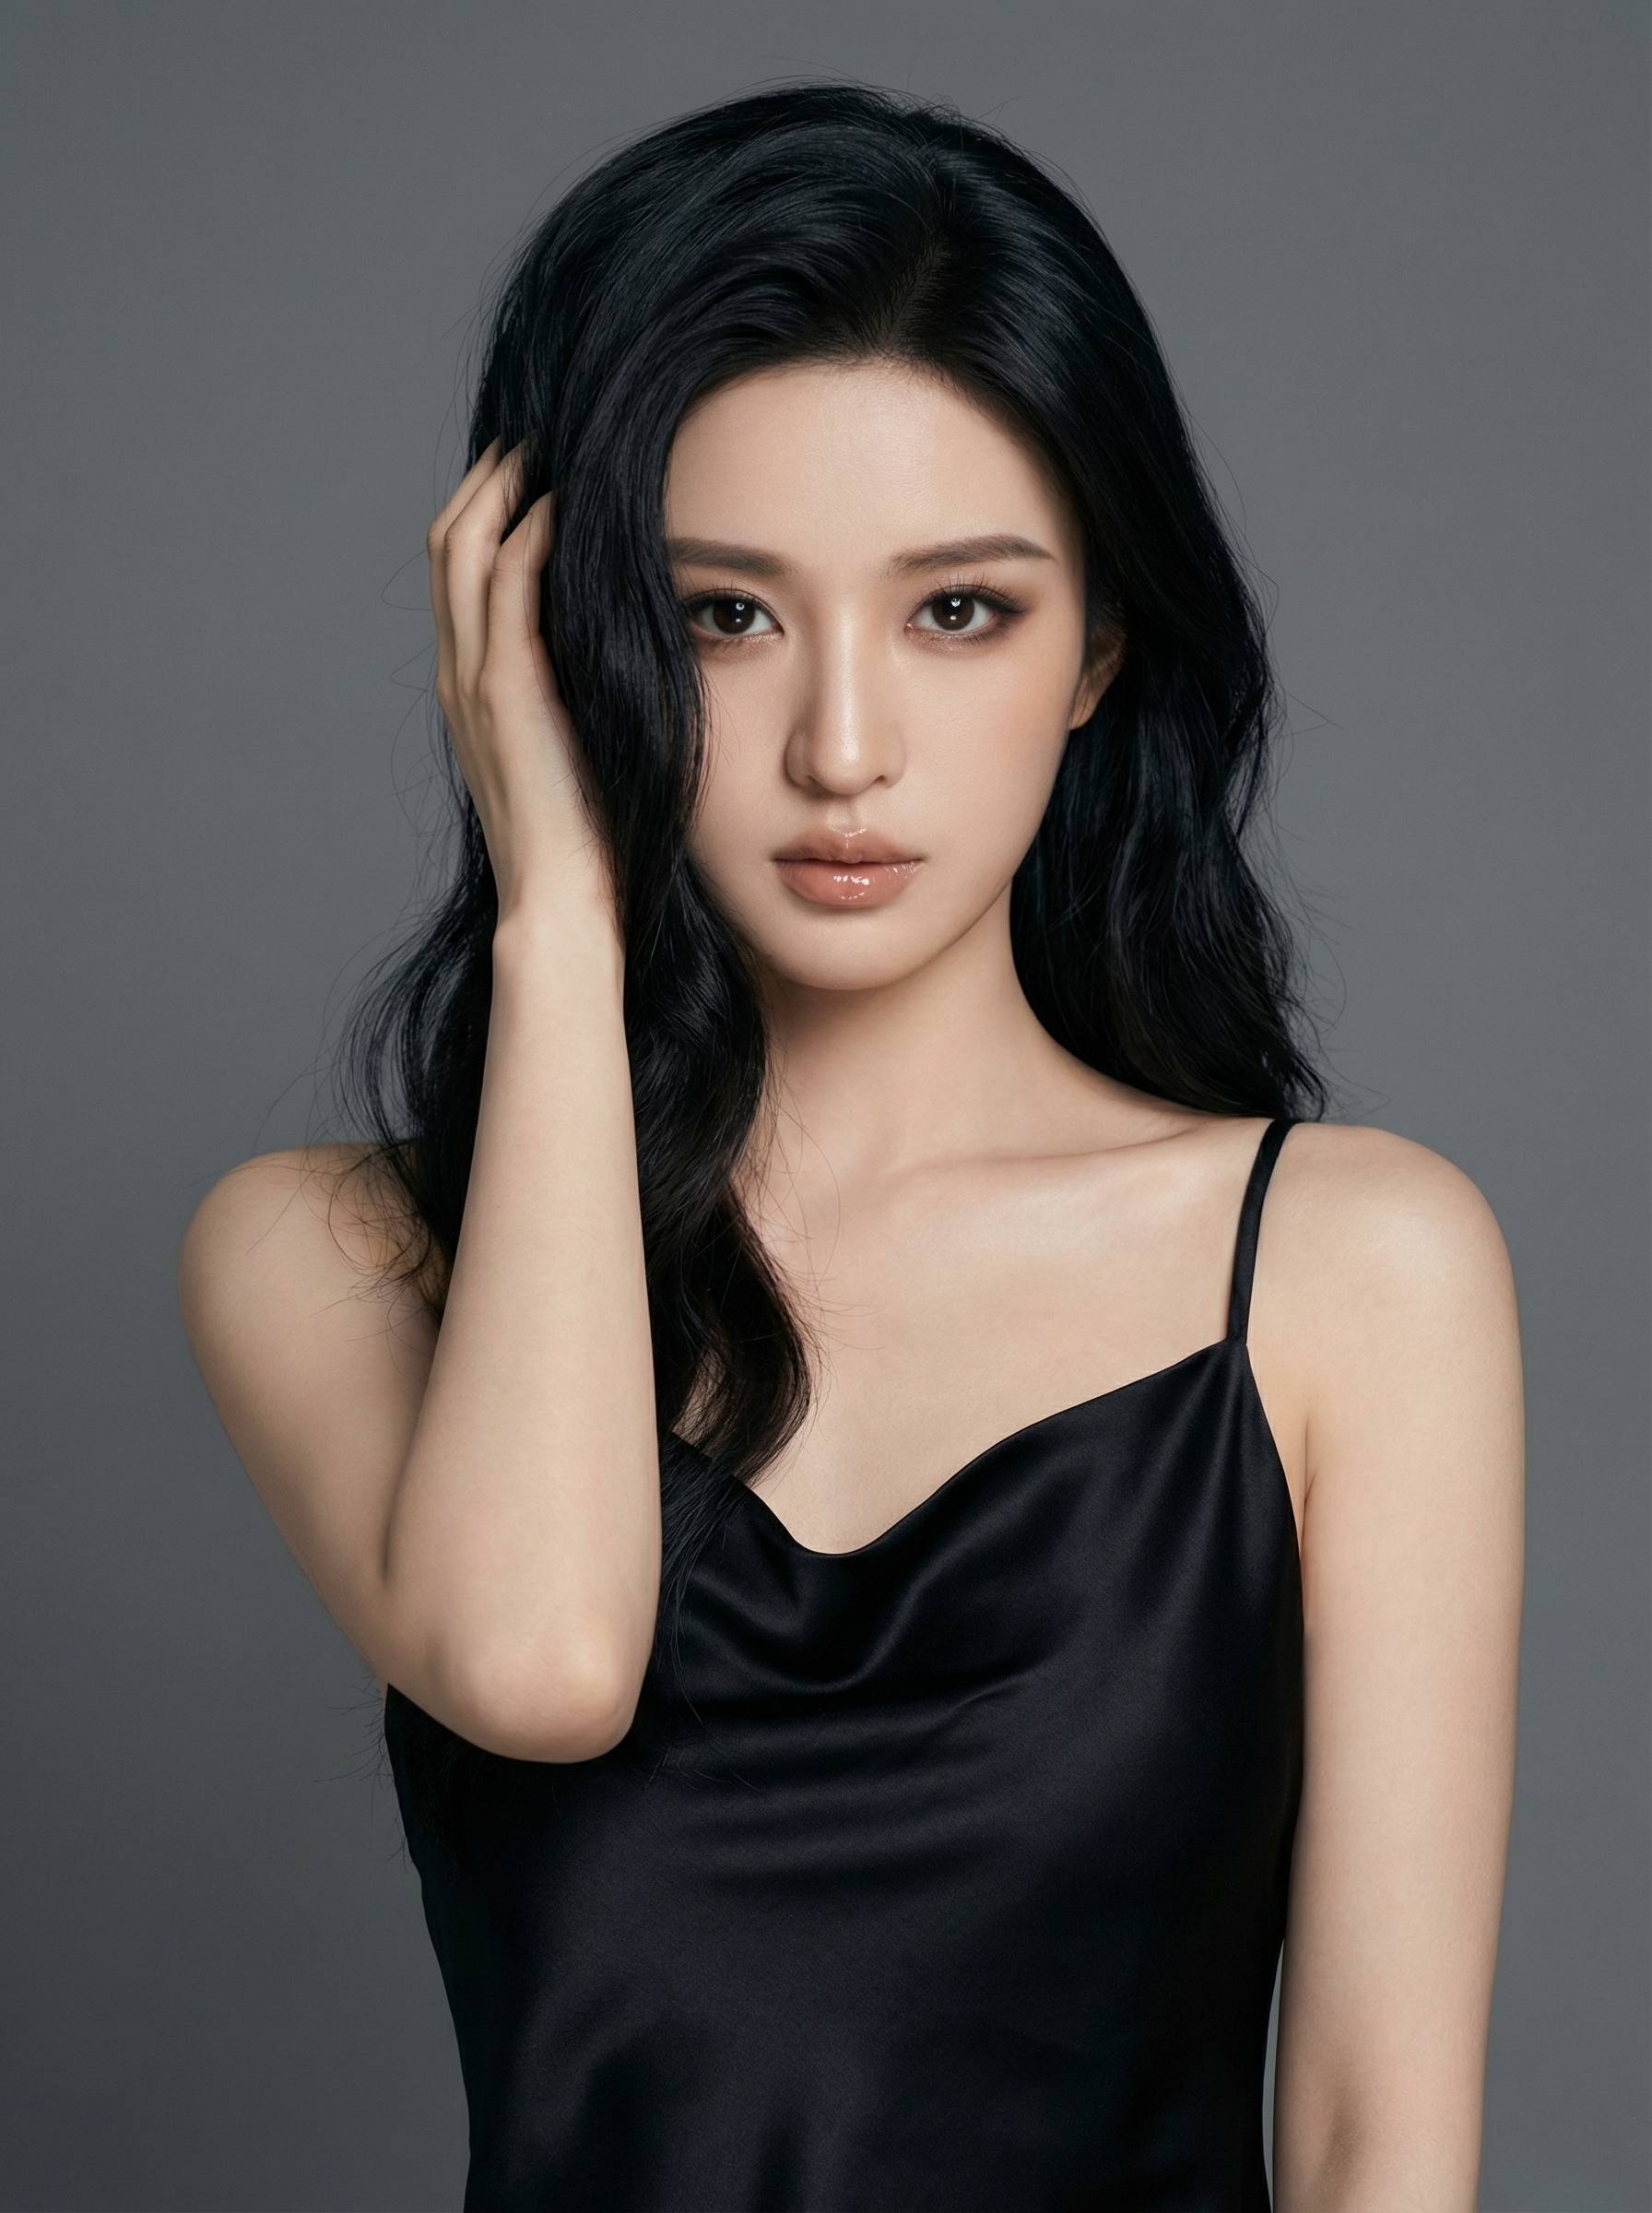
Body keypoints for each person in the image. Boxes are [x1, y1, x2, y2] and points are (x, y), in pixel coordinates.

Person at [179, 87, 1523, 2212]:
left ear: (1099, 648)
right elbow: (539, 1664)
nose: (840, 745)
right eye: (721, 615)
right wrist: (553, 921)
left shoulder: (1353, 1270)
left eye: (957, 610)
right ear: (562, 643)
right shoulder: (334, 1252)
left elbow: (1376, 2145)